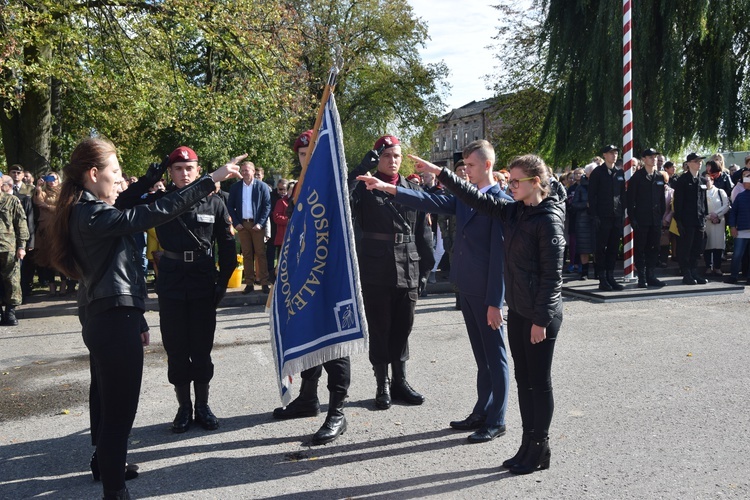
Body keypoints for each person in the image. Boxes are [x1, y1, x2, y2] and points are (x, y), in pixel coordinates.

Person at [40, 137, 239, 500]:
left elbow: (132, 204)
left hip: (107, 315)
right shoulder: (94, 213)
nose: (119, 181)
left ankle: (105, 465)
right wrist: (210, 180)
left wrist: (150, 178)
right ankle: (115, 491)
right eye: (115, 173)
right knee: (119, 411)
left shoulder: (85, 207)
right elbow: (149, 214)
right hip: (112, 318)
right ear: (93, 173)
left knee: (103, 397)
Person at [397, 153, 563, 475]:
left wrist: (541, 319)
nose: (510, 186)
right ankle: (528, 446)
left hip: (539, 315)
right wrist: (440, 173)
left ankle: (539, 445)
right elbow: (473, 196)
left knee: (539, 384)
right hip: (519, 310)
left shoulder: (548, 219)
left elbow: (552, 278)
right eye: (510, 181)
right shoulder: (515, 211)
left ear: (536, 183)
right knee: (524, 381)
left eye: (517, 182)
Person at [357, 139, 511, 444]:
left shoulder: (500, 202)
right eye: (463, 165)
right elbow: (429, 203)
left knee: (497, 357)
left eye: (471, 165)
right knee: (483, 359)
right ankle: (481, 410)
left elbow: (500, 260)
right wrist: (387, 188)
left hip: (487, 295)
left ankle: (497, 419)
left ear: (488, 166)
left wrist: (495, 301)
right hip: (468, 289)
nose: (465, 170)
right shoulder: (470, 198)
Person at [127, 147, 238, 434]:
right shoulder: (159, 202)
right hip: (172, 283)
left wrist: (222, 284)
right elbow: (122, 205)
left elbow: (227, 248)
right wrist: (143, 182)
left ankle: (203, 405)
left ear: (198, 170)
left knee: (201, 348)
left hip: (203, 281)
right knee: (176, 349)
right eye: (178, 168)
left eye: (189, 168)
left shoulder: (215, 204)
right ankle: (184, 408)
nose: (184, 173)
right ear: (170, 172)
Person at [271, 130, 352, 445]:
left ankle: (338, 411)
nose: (307, 159)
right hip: (306, 274)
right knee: (308, 333)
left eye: (312, 153)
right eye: (302, 155)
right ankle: (307, 399)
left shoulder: (334, 186)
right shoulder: (296, 191)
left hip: (332, 275)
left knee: (335, 344)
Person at [348, 134, 434, 410]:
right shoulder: (364, 186)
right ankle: (382, 383)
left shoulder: (411, 188)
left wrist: (424, 270)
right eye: (387, 156)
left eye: (396, 156)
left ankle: (400, 381)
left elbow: (423, 231)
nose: (393, 161)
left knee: (403, 326)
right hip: (375, 266)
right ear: (378, 159)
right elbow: (340, 193)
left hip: (408, 264)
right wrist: (361, 168)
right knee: (380, 326)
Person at [227, 161, 272, 294]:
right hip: (242, 225)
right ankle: (249, 283)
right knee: (246, 254)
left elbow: (267, 206)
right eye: (243, 170)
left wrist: (260, 223)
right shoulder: (236, 187)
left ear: (253, 171)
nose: (245, 173)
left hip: (257, 225)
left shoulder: (262, 186)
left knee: (260, 253)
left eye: (247, 170)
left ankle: (264, 283)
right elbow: (230, 206)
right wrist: (236, 223)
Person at [626, 148, 666, 288]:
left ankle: (651, 276)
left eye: (655, 156)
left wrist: (661, 216)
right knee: (640, 249)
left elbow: (661, 200)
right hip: (641, 220)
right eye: (650, 157)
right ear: (643, 159)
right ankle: (642, 277)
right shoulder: (637, 177)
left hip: (655, 220)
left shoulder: (659, 177)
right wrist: (633, 219)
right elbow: (630, 201)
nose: (653, 159)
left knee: (654, 249)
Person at [588, 145, 626, 291]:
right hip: (602, 216)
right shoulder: (598, 172)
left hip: (616, 216)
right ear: (604, 155)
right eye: (611, 153)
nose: (614, 155)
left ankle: (611, 276)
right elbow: (592, 196)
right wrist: (594, 215)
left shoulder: (619, 173)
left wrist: (622, 213)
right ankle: (602, 278)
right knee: (600, 248)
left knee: (613, 248)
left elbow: (622, 194)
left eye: (616, 153)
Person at [673, 153, 709, 285]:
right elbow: (678, 203)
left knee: (697, 248)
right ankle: (686, 273)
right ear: (688, 163)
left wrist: (705, 216)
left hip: (699, 220)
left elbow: (703, 201)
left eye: (700, 161)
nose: (699, 163)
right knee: (685, 248)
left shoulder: (703, 180)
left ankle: (694, 271)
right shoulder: (682, 180)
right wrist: (679, 221)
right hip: (686, 220)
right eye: (696, 161)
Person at [0, 176, 29, 325]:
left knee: (12, 282)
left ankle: (10, 312)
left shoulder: (11, 200)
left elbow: (21, 223)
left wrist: (21, 246)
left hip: (9, 248)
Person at [571, 163, 596, 280]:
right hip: (583, 221)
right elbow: (574, 204)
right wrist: (585, 205)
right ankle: (584, 272)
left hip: (597, 219)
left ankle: (598, 272)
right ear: (587, 173)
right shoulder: (581, 187)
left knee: (598, 247)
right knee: (584, 248)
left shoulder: (601, 185)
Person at [703, 171, 730, 276]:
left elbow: (726, 205)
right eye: (704, 180)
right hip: (707, 222)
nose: (706, 182)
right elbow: (700, 208)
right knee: (707, 245)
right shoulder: (701, 192)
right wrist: (709, 216)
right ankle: (708, 266)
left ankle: (717, 267)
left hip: (719, 221)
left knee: (718, 244)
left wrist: (716, 215)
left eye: (708, 180)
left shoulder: (720, 191)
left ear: (712, 180)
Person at [727, 171, 750, 284]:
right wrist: (732, 227)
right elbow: (733, 213)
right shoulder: (740, 196)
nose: (745, 182)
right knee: (737, 255)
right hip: (741, 231)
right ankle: (733, 276)